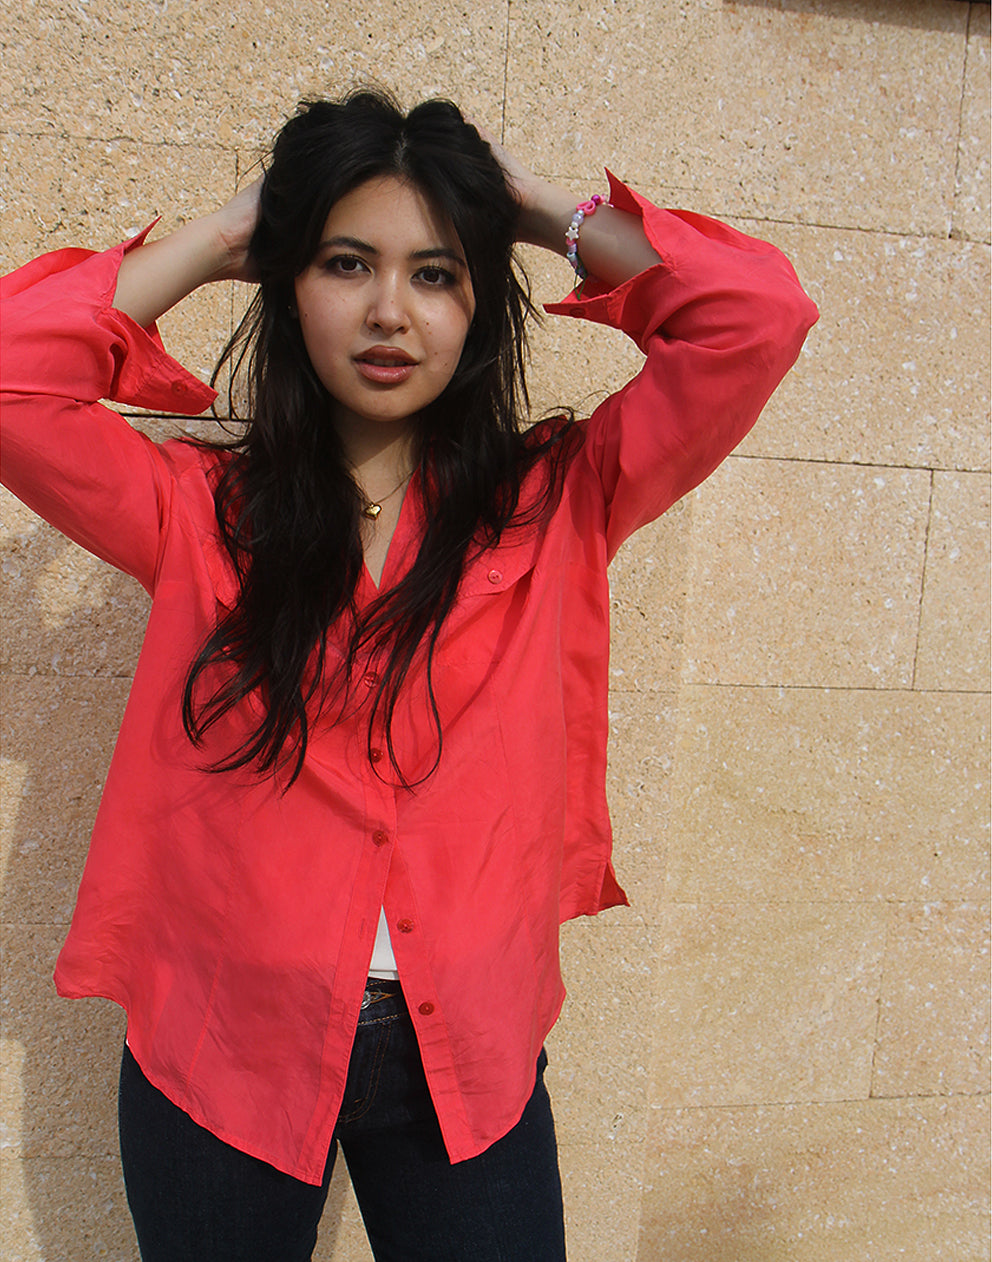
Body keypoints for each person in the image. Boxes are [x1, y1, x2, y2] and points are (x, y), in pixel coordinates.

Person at [0, 89, 818, 1260]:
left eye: (436, 272)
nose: (390, 311)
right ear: (290, 284)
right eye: (345, 262)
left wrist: (530, 207)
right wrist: (230, 233)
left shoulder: (560, 503)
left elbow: (754, 317)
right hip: (224, 1039)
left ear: (481, 301)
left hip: (464, 1051)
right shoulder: (198, 515)